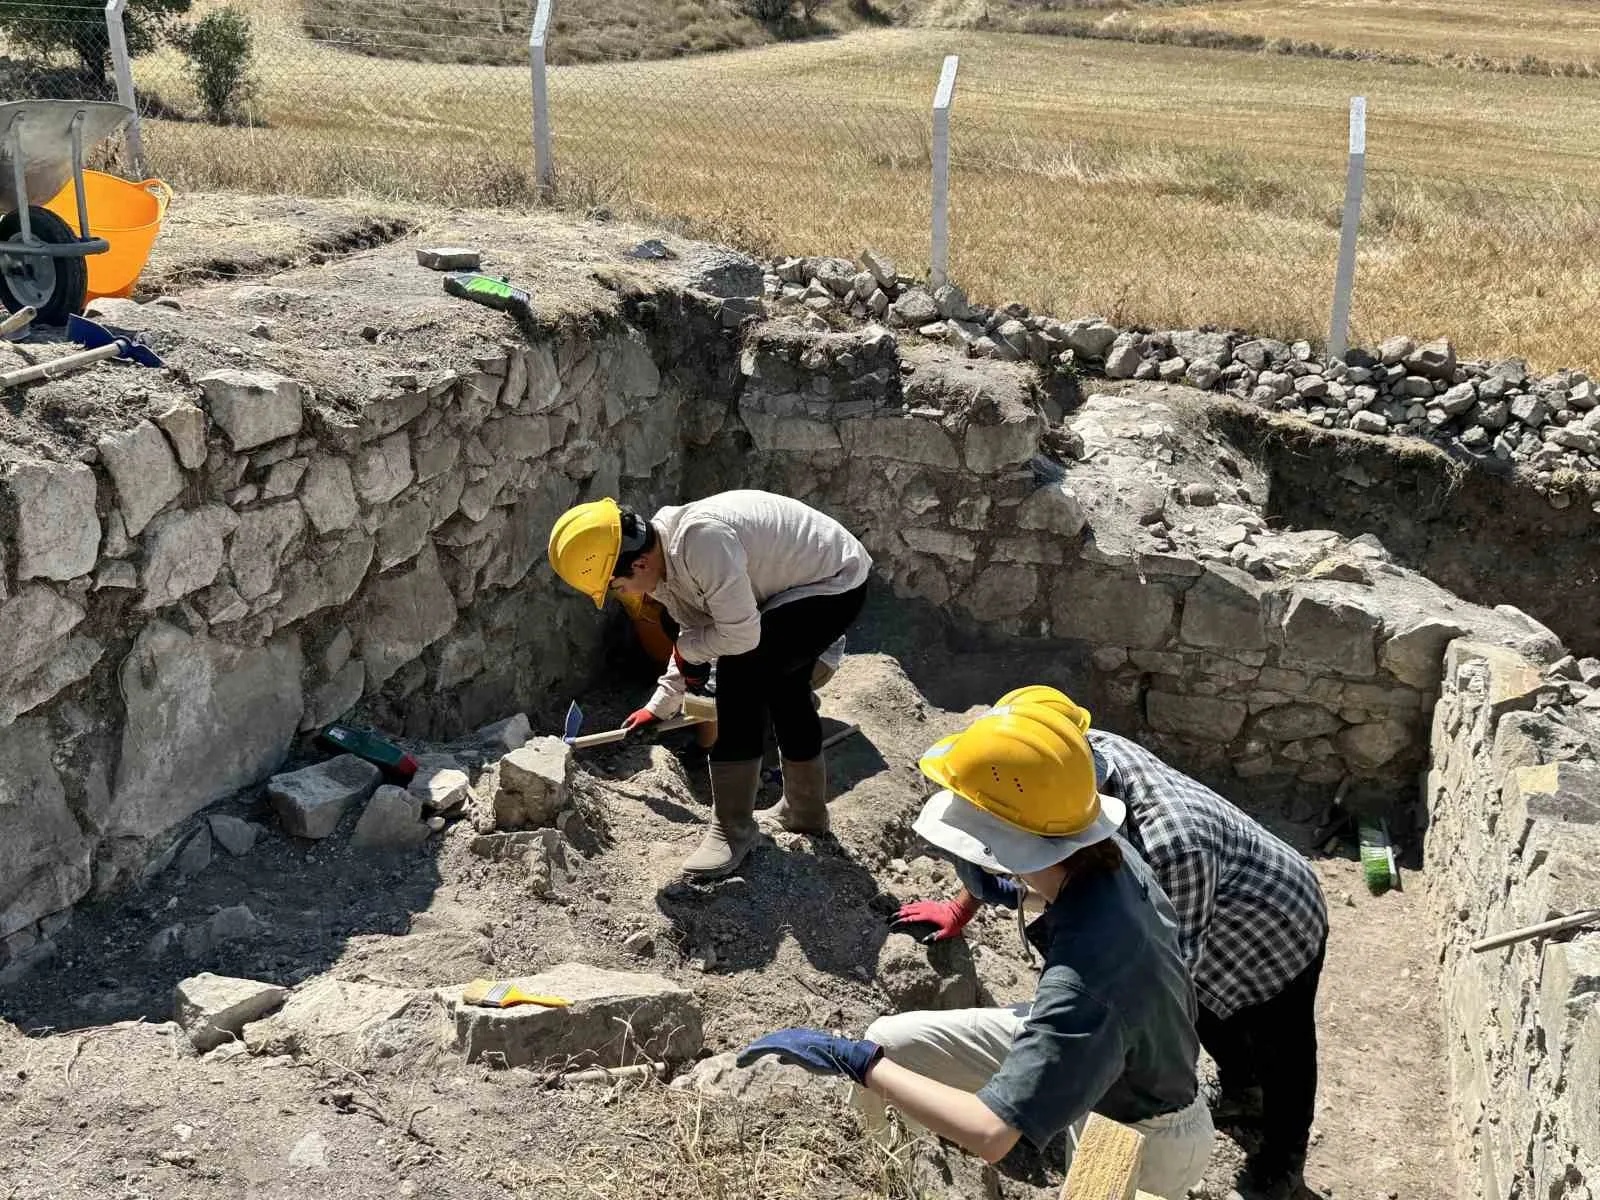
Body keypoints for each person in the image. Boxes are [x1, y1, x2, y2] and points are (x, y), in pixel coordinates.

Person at [738, 703, 1215, 1197]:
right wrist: (1015, 893)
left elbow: (992, 1134)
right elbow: (1074, 905)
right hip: (1108, 1053)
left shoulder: (1086, 977)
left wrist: (856, 1062)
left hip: (1143, 1134)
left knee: (878, 1061)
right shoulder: (1104, 849)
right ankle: (891, 1182)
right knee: (890, 1040)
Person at [893, 685, 1328, 1198]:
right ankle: (1240, 1090)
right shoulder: (1065, 769)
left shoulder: (1168, 848)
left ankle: (1284, 1162)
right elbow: (1006, 830)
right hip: (1214, 893)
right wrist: (962, 906)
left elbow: (1162, 995)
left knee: (1280, 1048)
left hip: (1275, 925)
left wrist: (1077, 1044)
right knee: (1222, 1028)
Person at [546, 490, 870, 878]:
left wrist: (687, 651)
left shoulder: (701, 542)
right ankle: (805, 811)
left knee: (742, 678)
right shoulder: (664, 566)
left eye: (616, 586)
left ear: (640, 562)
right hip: (794, 589)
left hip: (833, 583)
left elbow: (739, 638)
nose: (624, 596)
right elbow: (694, 631)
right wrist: (660, 705)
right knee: (786, 686)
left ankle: (732, 830)